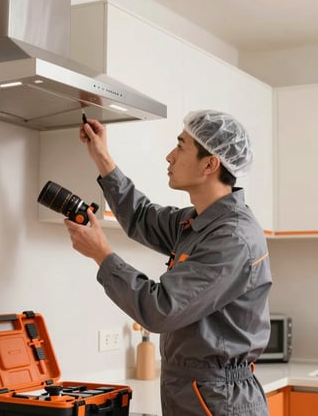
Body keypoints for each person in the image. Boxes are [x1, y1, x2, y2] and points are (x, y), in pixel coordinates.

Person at [65, 110, 272, 416]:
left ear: (210, 164)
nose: (169, 156)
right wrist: (102, 157)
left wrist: (101, 254)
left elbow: (160, 309)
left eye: (180, 146)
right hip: (194, 389)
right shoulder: (199, 222)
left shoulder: (231, 239)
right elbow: (141, 217)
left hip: (219, 399)